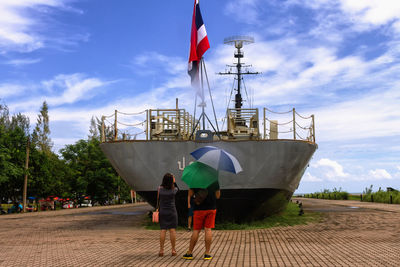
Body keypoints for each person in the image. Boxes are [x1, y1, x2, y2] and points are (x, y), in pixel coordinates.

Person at [182, 182, 220, 261]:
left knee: (196, 230)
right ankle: (207, 254)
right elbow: (217, 196)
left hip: (199, 209)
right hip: (211, 208)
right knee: (208, 229)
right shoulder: (213, 179)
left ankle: (189, 253)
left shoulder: (195, 178)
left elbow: (191, 194)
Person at [158, 173, 179, 257]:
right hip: (172, 211)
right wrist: (174, 181)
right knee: (172, 230)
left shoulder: (160, 189)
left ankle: (161, 250)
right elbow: (178, 189)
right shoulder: (174, 190)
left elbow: (159, 198)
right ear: (171, 181)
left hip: (163, 211)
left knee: (163, 230)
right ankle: (173, 250)